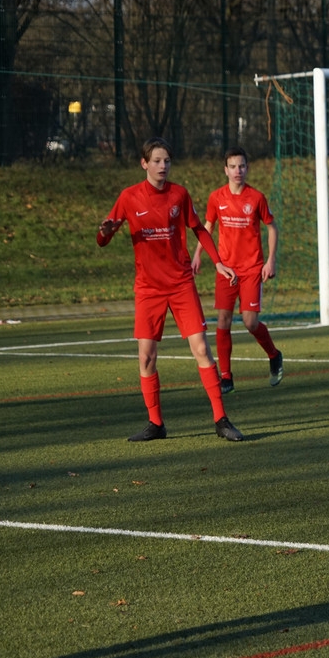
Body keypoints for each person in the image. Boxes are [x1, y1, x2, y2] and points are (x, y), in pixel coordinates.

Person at [96, 137, 244, 442]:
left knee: (201, 349)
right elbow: (103, 238)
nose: (163, 166)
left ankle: (221, 420)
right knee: (146, 358)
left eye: (167, 161)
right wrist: (104, 233)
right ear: (144, 163)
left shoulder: (179, 194)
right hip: (148, 288)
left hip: (180, 284)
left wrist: (218, 263)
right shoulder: (129, 197)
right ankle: (155, 424)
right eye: (157, 161)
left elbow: (199, 228)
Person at [192, 146, 284, 393]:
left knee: (250, 322)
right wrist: (198, 254)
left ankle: (274, 354)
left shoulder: (256, 198)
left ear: (247, 168)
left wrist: (271, 260)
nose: (237, 171)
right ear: (225, 170)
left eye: (242, 166)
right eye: (233, 166)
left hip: (252, 269)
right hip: (226, 269)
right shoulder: (216, 197)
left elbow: (272, 227)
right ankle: (226, 377)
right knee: (223, 320)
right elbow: (208, 227)